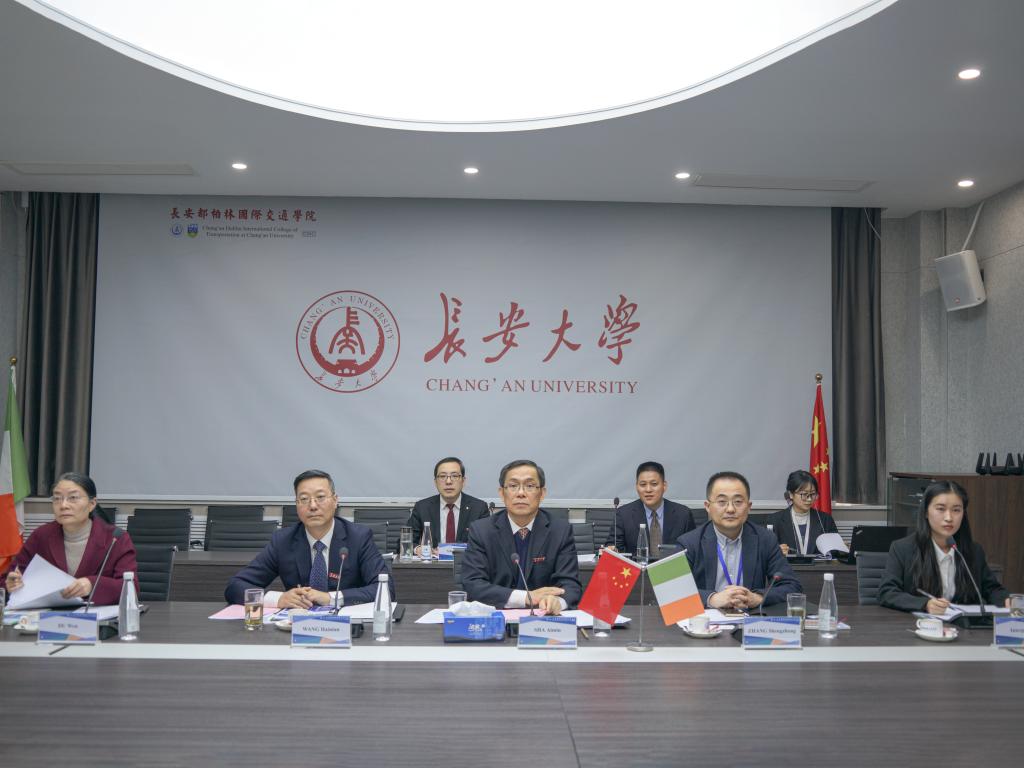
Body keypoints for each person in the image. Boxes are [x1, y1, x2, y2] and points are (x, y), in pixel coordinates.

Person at [224, 469, 394, 608]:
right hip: (295, 627)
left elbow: (386, 590)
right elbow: (235, 587)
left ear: (335, 500)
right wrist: (278, 599)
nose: (312, 506)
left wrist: (331, 598)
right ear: (296, 504)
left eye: (320, 497)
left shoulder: (358, 537)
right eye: (304, 499)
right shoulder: (283, 541)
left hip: (347, 628)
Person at [461, 459, 581, 614]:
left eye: (530, 486)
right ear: (501, 493)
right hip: (496, 617)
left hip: (543, 619)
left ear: (542, 493)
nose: (521, 493)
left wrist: (557, 602)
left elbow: (571, 585)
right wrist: (526, 597)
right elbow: (472, 584)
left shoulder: (560, 530)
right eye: (513, 486)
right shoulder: (481, 531)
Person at [3, 472, 137, 606]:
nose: (63, 505)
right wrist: (10, 584)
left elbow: (130, 588)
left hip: (98, 617)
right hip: (49, 615)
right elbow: (9, 578)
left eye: (73, 498)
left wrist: (91, 584)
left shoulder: (116, 539)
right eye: (57, 498)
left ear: (92, 504)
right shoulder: (41, 536)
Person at [877, 480, 1010, 614]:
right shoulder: (903, 549)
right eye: (941, 509)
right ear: (926, 512)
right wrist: (925, 604)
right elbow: (887, 592)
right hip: (920, 623)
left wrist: (1006, 600)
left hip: (963, 624)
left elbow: (992, 589)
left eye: (956, 510)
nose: (949, 518)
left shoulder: (974, 551)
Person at [676, 471, 801, 610]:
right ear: (707, 507)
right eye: (722, 502)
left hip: (749, 619)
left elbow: (792, 586)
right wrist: (711, 599)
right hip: (706, 621)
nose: (730, 509)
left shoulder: (765, 539)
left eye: (738, 502)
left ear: (749, 506)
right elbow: (671, 591)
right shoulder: (688, 543)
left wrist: (758, 598)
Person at [604, 460, 695, 554]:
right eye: (643, 485)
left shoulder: (683, 514)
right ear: (637, 487)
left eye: (654, 484)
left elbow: (693, 549)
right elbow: (613, 546)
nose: (648, 490)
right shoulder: (623, 515)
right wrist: (612, 549)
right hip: (636, 564)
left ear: (664, 486)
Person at [408, 456, 490, 554]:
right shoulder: (422, 507)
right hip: (433, 562)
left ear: (463, 481)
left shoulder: (479, 508)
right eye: (442, 476)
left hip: (465, 563)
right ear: (435, 482)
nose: (448, 481)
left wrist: (448, 551)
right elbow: (405, 542)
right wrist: (418, 549)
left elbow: (487, 544)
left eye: (454, 476)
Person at [766, 470, 840, 556]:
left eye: (813, 494)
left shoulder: (825, 520)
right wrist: (776, 551)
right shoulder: (775, 520)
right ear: (791, 494)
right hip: (787, 565)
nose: (809, 499)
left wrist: (839, 548)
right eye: (804, 494)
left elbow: (836, 553)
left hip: (818, 565)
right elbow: (765, 552)